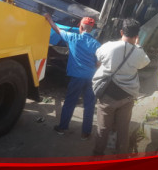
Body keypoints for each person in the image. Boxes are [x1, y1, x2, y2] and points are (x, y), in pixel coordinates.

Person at [92, 18, 150, 156]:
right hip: (128, 96)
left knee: (103, 128)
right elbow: (144, 63)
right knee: (123, 129)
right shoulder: (139, 52)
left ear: (122, 31)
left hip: (108, 95)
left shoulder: (109, 46)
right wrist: (138, 46)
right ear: (137, 36)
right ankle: (122, 156)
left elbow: (98, 56)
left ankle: (97, 155)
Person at [44, 13, 101, 140]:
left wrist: (49, 19)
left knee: (70, 102)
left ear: (80, 27)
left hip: (76, 77)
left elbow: (58, 30)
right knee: (89, 104)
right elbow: (99, 63)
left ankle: (63, 127)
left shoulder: (73, 37)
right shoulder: (97, 44)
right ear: (91, 29)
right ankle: (86, 133)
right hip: (91, 78)